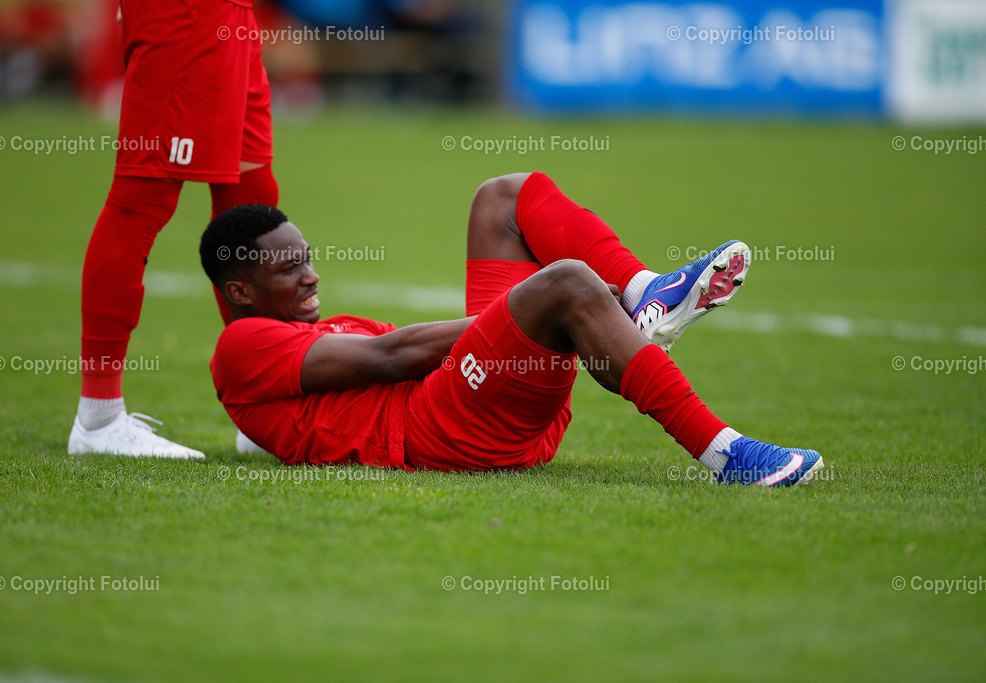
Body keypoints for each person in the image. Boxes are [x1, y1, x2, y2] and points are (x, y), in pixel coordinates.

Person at [199, 173, 825, 486]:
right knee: (568, 282)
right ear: (239, 292)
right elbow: (396, 355)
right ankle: (727, 455)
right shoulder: (241, 343)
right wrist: (525, 310)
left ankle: (641, 296)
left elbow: (297, 418)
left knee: (502, 196)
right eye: (288, 268)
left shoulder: (292, 339)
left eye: (307, 255)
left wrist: (520, 319)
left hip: (476, 405)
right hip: (441, 431)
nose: (310, 276)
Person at [68, 0, 280, 459]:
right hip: (186, 12)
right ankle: (98, 417)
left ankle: (261, 408)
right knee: (142, 199)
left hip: (231, 13)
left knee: (251, 191)